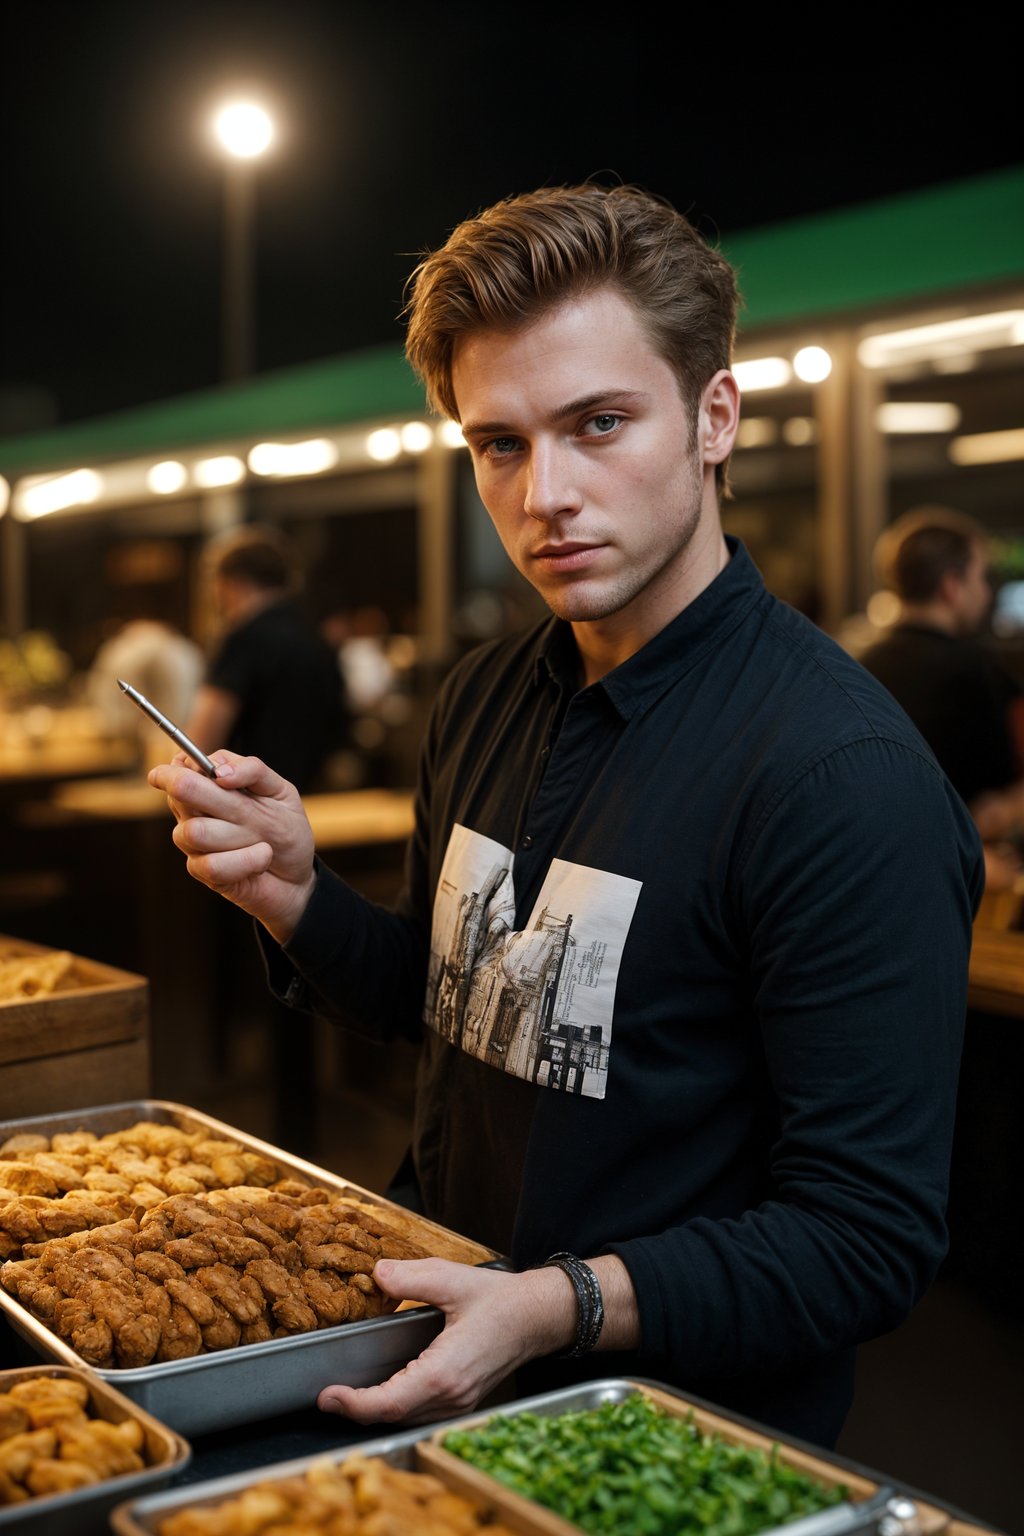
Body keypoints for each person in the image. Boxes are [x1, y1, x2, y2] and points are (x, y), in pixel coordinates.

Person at [149, 182, 984, 1448]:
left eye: (600, 423)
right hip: (432, 1359)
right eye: (500, 443)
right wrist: (297, 897)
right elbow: (451, 1009)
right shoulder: (485, 690)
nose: (547, 494)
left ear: (715, 417)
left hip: (670, 1438)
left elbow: (863, 1240)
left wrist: (557, 1306)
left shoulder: (842, 777)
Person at [858, 507, 1024, 891]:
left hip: (880, 878)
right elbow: (996, 806)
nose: (985, 592)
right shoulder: (979, 671)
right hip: (968, 884)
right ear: (952, 586)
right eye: (982, 577)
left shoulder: (854, 667)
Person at [186, 523, 350, 795]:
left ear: (230, 583)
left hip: (255, 800)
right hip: (316, 799)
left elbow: (202, 738)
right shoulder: (315, 635)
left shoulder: (242, 639)